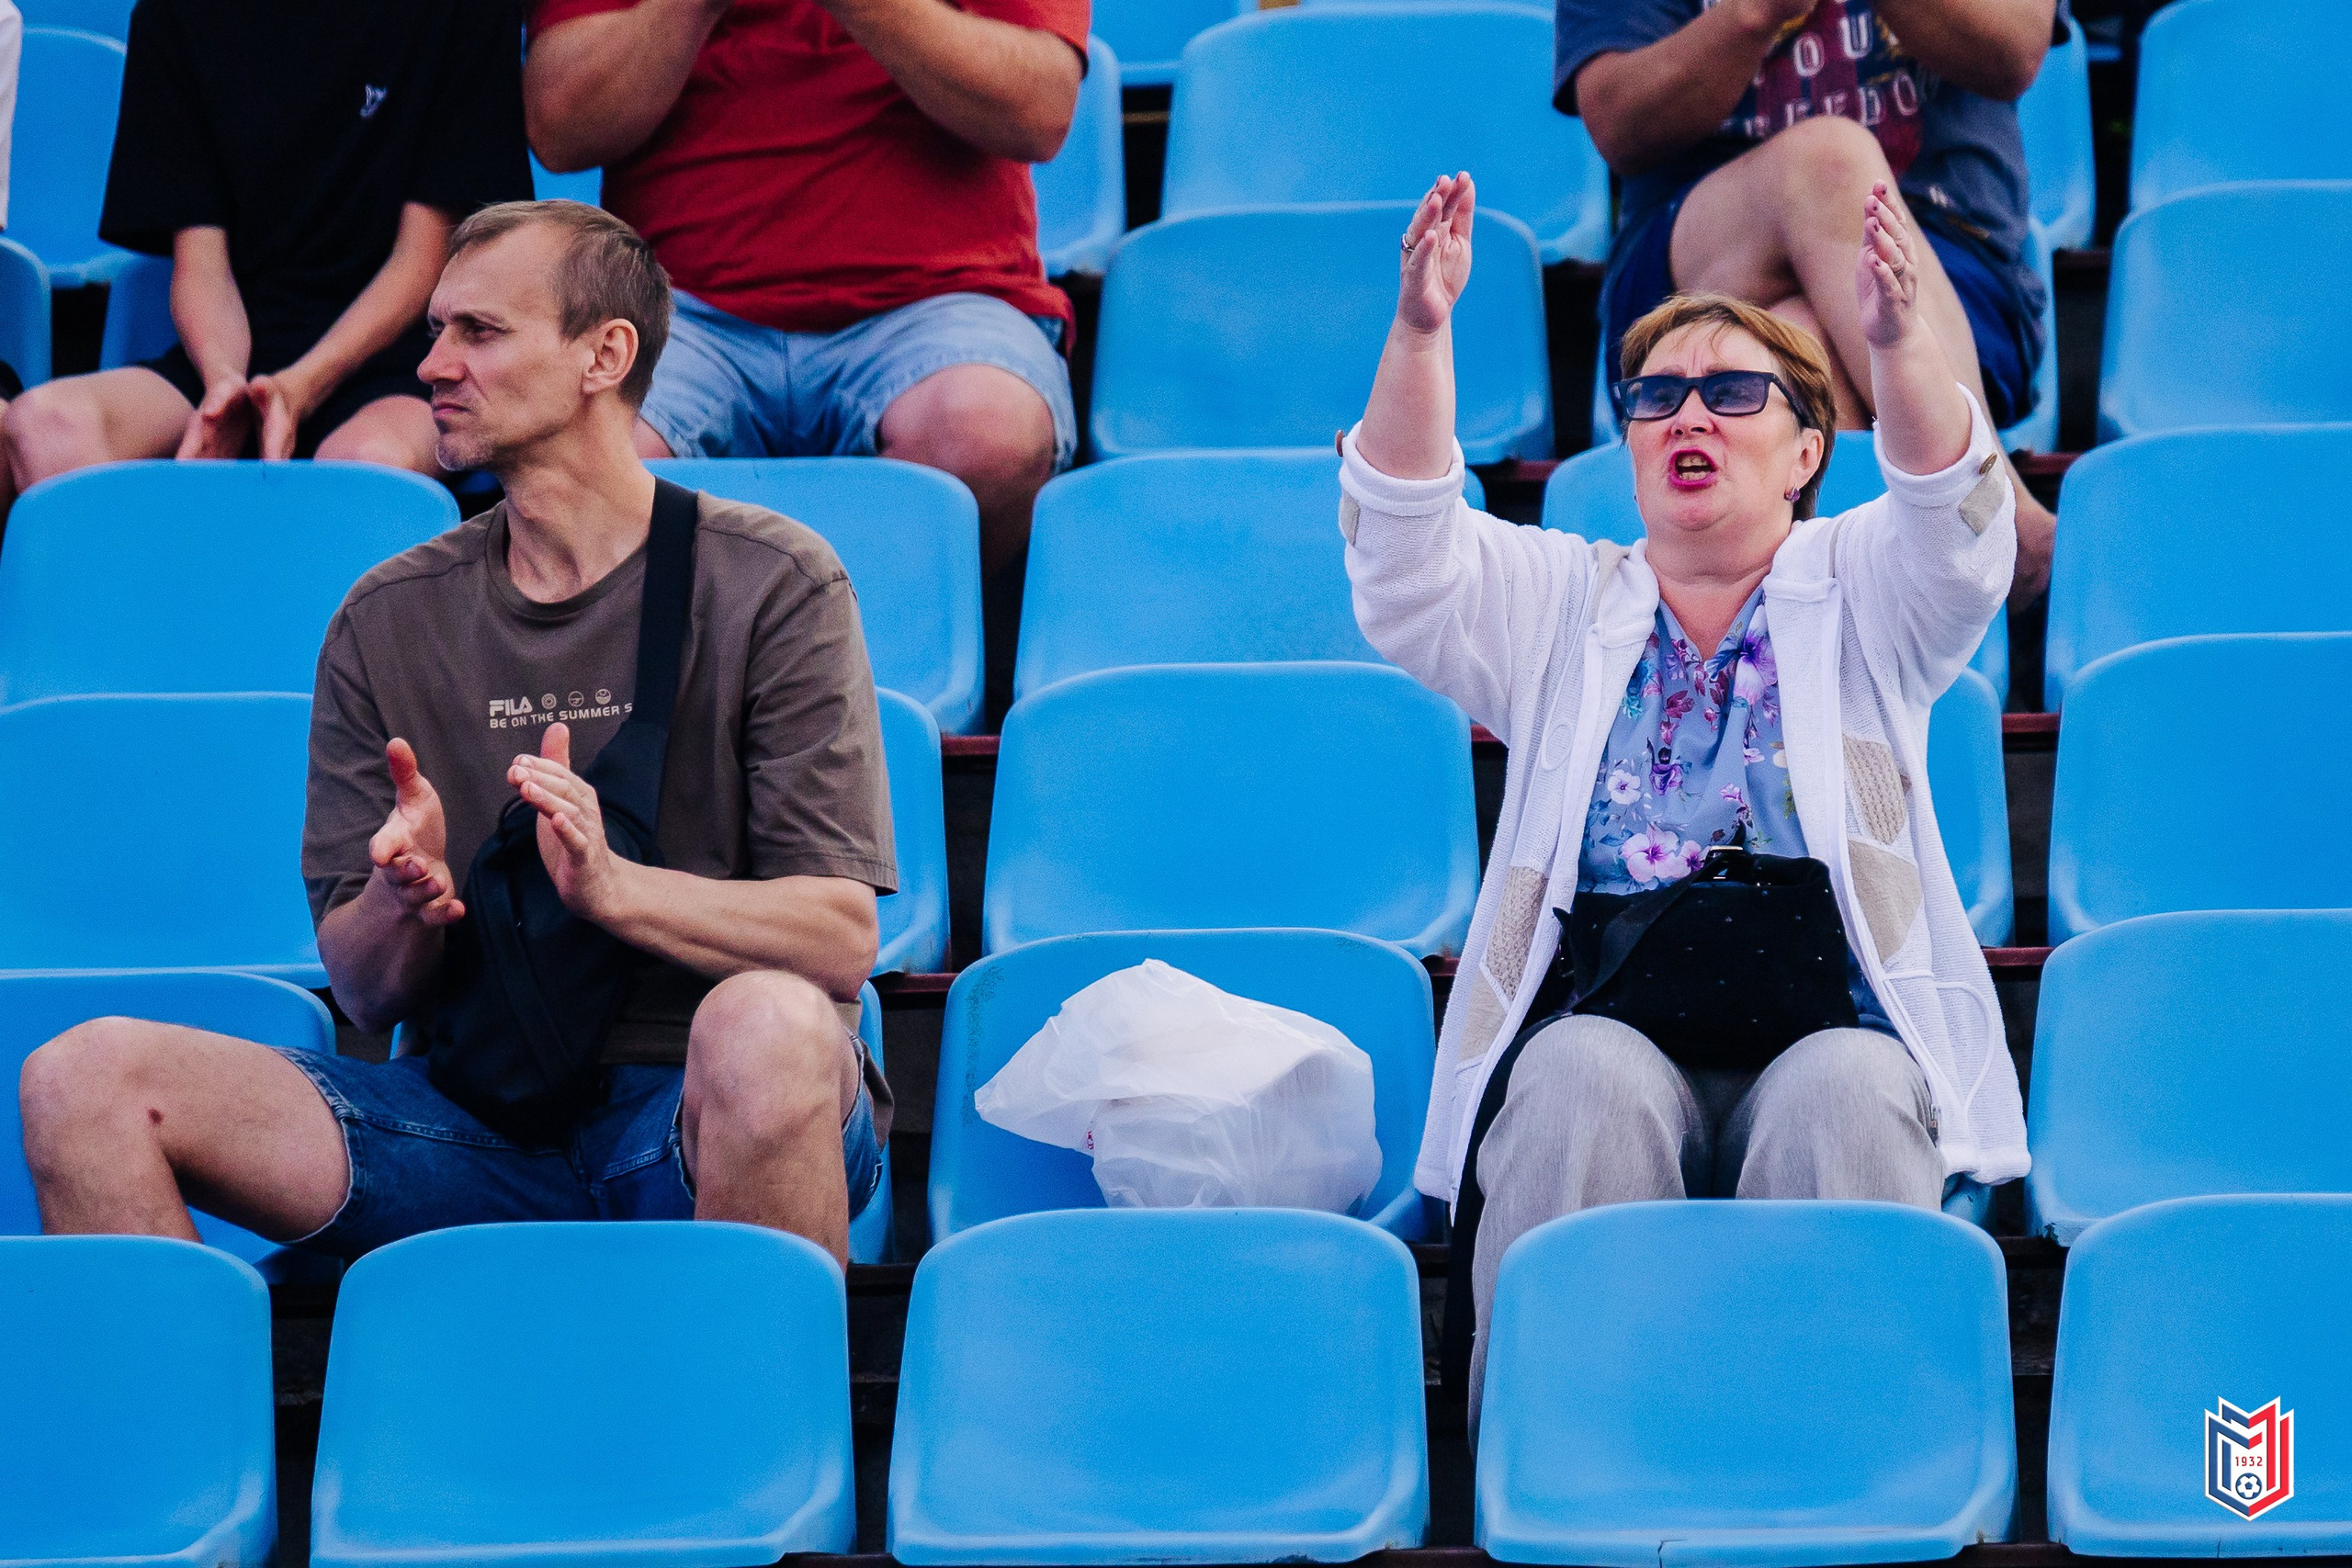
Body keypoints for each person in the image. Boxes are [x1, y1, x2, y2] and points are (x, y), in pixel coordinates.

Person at [18, 201, 899, 1266]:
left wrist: (616, 889)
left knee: (771, 1025)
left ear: (603, 355)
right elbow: (363, 991)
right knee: (84, 1078)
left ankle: (758, 1420)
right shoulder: (385, 617)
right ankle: (170, 1432)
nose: (433, 364)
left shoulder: (771, 579)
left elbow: (839, 939)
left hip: (692, 1114)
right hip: (463, 1121)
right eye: (435, 331)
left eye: (478, 332)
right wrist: (401, 905)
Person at [1340, 174, 2025, 1422]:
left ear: (1809, 452)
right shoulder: (1561, 597)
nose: (1685, 413)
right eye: (1655, 396)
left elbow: (1958, 525)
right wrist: (1423, 333)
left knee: (1848, 1096)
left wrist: (1900, 343)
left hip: (1837, 1016)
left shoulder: (1861, 585)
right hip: (1614, 1013)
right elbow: (1401, 556)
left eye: (1732, 389)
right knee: (1577, 1079)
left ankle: (1856, 1470)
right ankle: (1560, 1458)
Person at [523, 0, 1087, 578]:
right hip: (674, 304)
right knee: (575, 467)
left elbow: (1039, 110)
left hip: (938, 297)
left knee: (986, 434)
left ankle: (913, 655)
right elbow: (560, 132)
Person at [1555, 0, 2060, 599]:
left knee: (1796, 365)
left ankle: (1802, 670)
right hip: (1696, 255)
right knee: (1830, 163)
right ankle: (1988, 506)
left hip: (1942, 262)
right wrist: (1755, 13)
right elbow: (1616, 121)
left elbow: (2014, 49)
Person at [0, 0, 532, 511]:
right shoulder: (175, 14)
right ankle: (146, 602)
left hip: (396, 363)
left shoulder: (464, 9)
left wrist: (300, 386)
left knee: (366, 469)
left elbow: (422, 261)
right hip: (228, 357)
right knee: (45, 426)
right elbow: (202, 266)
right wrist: (225, 386)